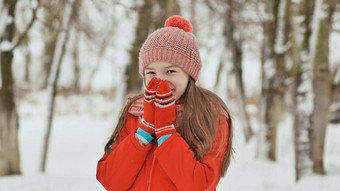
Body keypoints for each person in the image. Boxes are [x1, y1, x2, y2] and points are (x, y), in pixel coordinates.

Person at [96, 15, 233, 191]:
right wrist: (144, 130)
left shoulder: (211, 115)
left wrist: (165, 132)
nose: (160, 80)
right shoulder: (135, 112)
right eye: (151, 73)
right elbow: (111, 181)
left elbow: (200, 186)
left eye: (170, 71)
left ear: (189, 74)